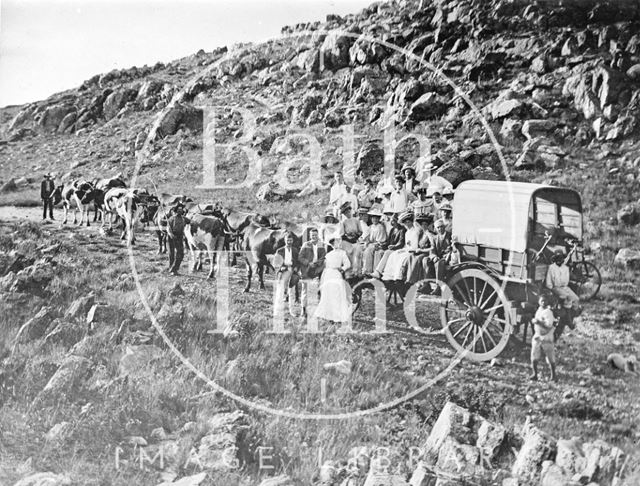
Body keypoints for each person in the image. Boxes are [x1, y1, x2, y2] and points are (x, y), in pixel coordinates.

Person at [372, 210, 420, 280]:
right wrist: (381, 246)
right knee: (390, 254)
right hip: (404, 249)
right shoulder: (403, 231)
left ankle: (395, 276)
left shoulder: (408, 231)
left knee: (394, 255)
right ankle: (381, 273)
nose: (407, 224)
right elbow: (389, 242)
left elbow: (404, 243)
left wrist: (396, 248)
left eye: (409, 222)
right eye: (406, 222)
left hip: (410, 250)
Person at [314, 235, 352, 323]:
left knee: (337, 294)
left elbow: (348, 264)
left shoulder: (342, 253)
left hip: (336, 273)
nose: (335, 244)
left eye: (336, 242)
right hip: (328, 274)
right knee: (328, 294)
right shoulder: (328, 254)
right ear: (331, 245)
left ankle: (337, 316)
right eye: (333, 243)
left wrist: (342, 269)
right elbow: (325, 266)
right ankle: (328, 314)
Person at [545, 250, 581, 339]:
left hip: (564, 287)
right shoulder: (551, 268)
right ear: (555, 259)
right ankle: (569, 322)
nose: (559, 260)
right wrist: (551, 288)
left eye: (561, 258)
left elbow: (566, 280)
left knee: (576, 299)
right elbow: (548, 282)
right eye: (558, 258)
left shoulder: (565, 268)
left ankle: (571, 315)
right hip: (555, 287)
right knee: (566, 297)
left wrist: (565, 286)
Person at [298, 228, 326, 318]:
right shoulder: (306, 245)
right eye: (312, 235)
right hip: (307, 270)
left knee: (314, 290)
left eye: (315, 235)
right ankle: (303, 309)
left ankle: (313, 310)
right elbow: (300, 257)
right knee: (305, 290)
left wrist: (317, 264)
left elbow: (323, 257)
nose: (314, 237)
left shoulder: (321, 245)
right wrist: (308, 263)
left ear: (318, 236)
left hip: (316, 270)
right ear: (310, 236)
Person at [529, 295, 557, 382]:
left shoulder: (548, 312)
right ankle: (535, 374)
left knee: (550, 356)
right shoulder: (539, 310)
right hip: (538, 335)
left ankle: (553, 375)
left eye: (545, 301)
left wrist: (539, 322)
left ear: (547, 302)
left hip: (546, 336)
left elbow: (549, 325)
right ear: (539, 302)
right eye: (542, 301)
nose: (543, 303)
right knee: (534, 355)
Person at [274, 232, 301, 318]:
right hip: (284, 271)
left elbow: (298, 261)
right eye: (287, 240)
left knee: (292, 292)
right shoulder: (280, 250)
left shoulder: (295, 250)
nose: (289, 242)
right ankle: (278, 311)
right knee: (280, 291)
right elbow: (276, 263)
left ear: (292, 240)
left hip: (292, 271)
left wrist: (296, 268)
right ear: (284, 240)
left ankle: (292, 311)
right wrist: (281, 267)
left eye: (290, 240)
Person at [338, 202, 362, 276]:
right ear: (344, 214)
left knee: (357, 252)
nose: (348, 213)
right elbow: (342, 235)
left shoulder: (356, 220)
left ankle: (357, 272)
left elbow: (360, 231)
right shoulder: (343, 222)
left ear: (351, 211)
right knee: (348, 253)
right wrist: (349, 239)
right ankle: (349, 273)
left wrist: (355, 237)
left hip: (355, 240)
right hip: (347, 241)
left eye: (348, 211)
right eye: (346, 213)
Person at [362, 205, 387, 275]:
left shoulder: (380, 227)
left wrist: (373, 244)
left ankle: (372, 271)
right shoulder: (371, 227)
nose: (374, 220)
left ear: (378, 219)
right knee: (366, 250)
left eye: (376, 218)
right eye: (373, 218)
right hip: (372, 244)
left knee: (371, 250)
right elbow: (368, 237)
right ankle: (367, 270)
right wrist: (367, 241)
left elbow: (380, 240)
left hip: (380, 244)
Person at [167, 204, 187, 276]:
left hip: (180, 237)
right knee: (171, 254)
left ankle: (174, 268)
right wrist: (171, 235)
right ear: (176, 211)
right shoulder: (172, 218)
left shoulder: (183, 218)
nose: (180, 211)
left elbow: (191, 222)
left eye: (181, 210)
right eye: (178, 210)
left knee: (181, 254)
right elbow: (168, 229)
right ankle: (171, 269)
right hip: (171, 237)